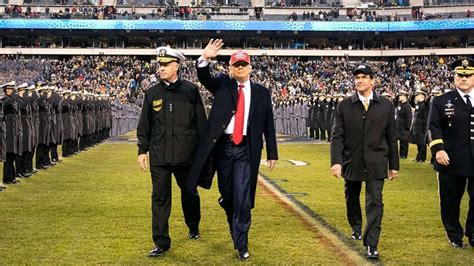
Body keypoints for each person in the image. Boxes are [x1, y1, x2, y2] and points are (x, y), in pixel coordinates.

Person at [186, 39, 278, 261]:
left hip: (246, 149)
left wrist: (272, 153)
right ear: (229, 68)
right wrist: (205, 58)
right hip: (223, 148)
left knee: (243, 198)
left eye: (243, 65)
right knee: (229, 196)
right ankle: (227, 206)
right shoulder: (222, 84)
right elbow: (203, 77)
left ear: (250, 67)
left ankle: (242, 243)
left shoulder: (262, 92)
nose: (239, 68)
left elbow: (268, 123)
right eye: (235, 65)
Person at [137, 47, 206, 257]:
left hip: (186, 156)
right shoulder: (152, 93)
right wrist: (142, 150)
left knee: (190, 193)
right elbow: (145, 125)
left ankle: (193, 226)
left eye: (166, 64)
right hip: (159, 156)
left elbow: (201, 123)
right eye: (160, 65)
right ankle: (161, 242)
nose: (161, 68)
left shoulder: (191, 90)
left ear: (177, 65)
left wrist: (203, 153)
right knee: (159, 199)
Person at [330, 64, 399, 260]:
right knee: (352, 197)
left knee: (375, 202)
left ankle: (371, 244)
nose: (359, 80)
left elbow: (391, 137)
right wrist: (336, 161)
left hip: (377, 162)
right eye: (357, 77)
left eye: (364, 77)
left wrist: (394, 165)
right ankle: (356, 227)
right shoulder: (344, 105)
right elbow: (337, 136)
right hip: (352, 161)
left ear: (372, 81)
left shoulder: (386, 105)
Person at [427, 58, 474, 248]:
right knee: (450, 201)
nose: (463, 78)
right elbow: (433, 127)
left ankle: (473, 232)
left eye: (468, 75)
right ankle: (454, 234)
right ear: (454, 77)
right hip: (451, 159)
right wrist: (438, 149)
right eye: (459, 75)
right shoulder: (441, 100)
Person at [2, 81, 23, 185]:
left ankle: (12, 176)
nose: (10, 90)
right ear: (5, 90)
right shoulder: (5, 100)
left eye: (11, 89)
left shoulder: (13, 100)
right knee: (9, 156)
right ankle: (7, 178)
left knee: (12, 155)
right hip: (8, 131)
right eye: (8, 89)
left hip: (14, 130)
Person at [409, 90, 429, 163]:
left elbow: (425, 117)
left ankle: (422, 158)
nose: (416, 97)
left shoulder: (425, 105)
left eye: (417, 95)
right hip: (417, 127)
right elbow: (410, 102)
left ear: (421, 96)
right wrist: (412, 95)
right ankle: (418, 157)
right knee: (418, 143)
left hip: (421, 127)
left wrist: (424, 128)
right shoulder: (418, 104)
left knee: (422, 143)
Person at [396, 90, 412, 159]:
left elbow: (409, 117)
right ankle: (401, 154)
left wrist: (407, 126)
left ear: (405, 97)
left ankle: (404, 155)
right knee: (400, 142)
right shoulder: (400, 104)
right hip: (399, 126)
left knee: (404, 142)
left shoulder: (407, 106)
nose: (399, 96)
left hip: (404, 127)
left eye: (401, 95)